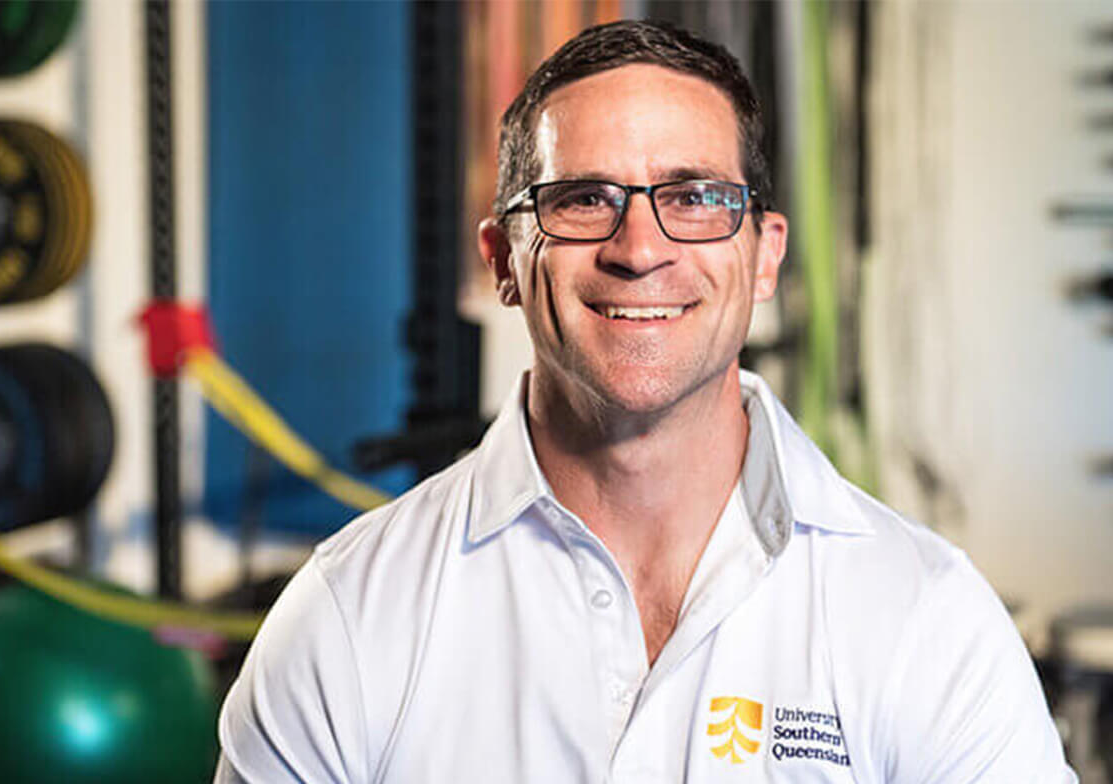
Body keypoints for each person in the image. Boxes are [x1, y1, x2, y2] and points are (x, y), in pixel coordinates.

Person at [215, 20, 1074, 783]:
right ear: (504, 260)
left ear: (766, 254)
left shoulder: (927, 620)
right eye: (584, 199)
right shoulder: (349, 621)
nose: (640, 248)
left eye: (695, 198)